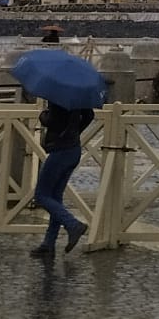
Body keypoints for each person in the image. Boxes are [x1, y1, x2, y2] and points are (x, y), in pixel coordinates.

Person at [29, 99, 93, 257]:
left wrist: (43, 115)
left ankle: (73, 225)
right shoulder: (76, 94)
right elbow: (89, 115)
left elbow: (54, 121)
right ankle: (48, 244)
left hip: (61, 151)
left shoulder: (58, 97)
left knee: (41, 195)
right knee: (55, 198)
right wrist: (75, 132)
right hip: (73, 149)